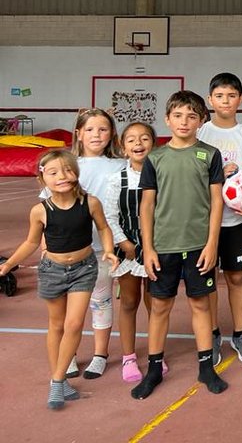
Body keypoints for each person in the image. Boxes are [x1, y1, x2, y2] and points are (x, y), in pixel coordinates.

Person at [0, 150, 118, 409]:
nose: (62, 176)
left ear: (75, 172)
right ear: (43, 179)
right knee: (56, 326)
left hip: (84, 268)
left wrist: (108, 250)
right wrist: (7, 264)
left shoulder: (90, 202)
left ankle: (56, 380)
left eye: (67, 170)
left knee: (74, 324)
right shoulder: (40, 211)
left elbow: (103, 228)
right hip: (52, 270)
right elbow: (31, 242)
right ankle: (61, 378)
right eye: (53, 172)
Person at [131, 90, 228, 400]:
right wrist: (148, 248)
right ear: (167, 119)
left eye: (191, 116)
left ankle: (205, 367)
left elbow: (216, 202)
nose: (184, 121)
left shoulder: (210, 154)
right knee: (160, 307)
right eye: (178, 115)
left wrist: (212, 244)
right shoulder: (155, 158)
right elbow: (146, 206)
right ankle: (154, 369)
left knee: (201, 305)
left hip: (199, 245)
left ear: (201, 120)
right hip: (163, 246)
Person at [197, 72, 242, 366]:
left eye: (231, 95)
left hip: (236, 221)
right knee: (207, 279)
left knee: (237, 277)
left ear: (241, 99)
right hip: (204, 221)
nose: (226, 101)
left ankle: (239, 333)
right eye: (220, 96)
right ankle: (211, 334)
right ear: (210, 100)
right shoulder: (200, 134)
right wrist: (216, 176)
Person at [67, 108, 125, 379]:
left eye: (102, 129)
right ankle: (69, 354)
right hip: (69, 249)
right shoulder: (67, 164)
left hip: (104, 248)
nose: (96, 135)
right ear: (78, 133)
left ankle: (100, 353)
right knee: (70, 305)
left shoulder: (119, 165)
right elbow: (47, 206)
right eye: (89, 129)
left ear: (111, 133)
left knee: (100, 300)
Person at [101, 122, 158, 383]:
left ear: (153, 144)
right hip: (129, 250)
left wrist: (154, 245)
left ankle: (157, 353)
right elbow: (109, 216)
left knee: (155, 302)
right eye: (132, 140)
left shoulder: (160, 176)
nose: (138, 143)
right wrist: (125, 243)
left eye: (144, 138)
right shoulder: (117, 180)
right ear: (124, 147)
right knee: (129, 301)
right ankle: (128, 357)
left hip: (156, 247)